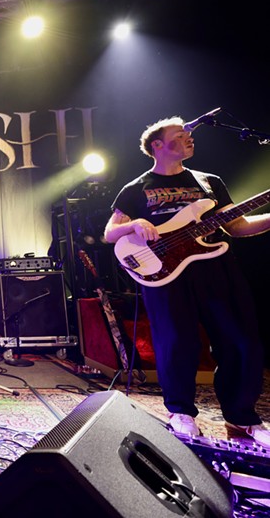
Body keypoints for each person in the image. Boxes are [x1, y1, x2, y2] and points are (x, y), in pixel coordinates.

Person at [103, 116, 270, 445]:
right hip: (164, 273)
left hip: (215, 267)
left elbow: (237, 226)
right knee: (177, 343)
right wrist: (135, 224)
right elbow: (110, 233)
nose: (189, 138)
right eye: (180, 135)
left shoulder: (209, 182)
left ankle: (241, 417)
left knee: (241, 340)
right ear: (158, 145)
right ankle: (180, 412)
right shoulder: (136, 188)